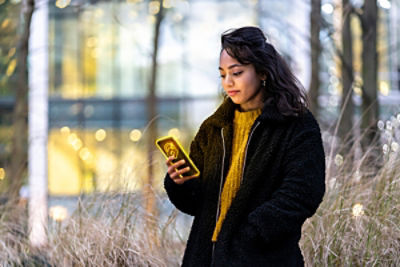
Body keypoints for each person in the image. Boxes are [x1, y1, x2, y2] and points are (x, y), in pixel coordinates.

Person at [163, 26, 326, 267]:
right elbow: (195, 203)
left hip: (264, 259)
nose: (228, 82)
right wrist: (181, 183)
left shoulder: (297, 125)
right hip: (205, 258)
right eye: (222, 74)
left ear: (262, 72)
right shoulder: (214, 127)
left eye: (236, 72)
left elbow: (304, 193)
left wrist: (252, 232)